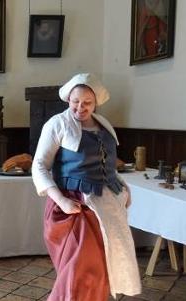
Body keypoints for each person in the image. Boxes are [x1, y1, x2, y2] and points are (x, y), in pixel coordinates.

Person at [32, 73, 142, 300]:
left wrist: (122, 187)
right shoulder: (57, 124)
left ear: (96, 103)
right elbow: (39, 166)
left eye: (87, 103)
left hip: (106, 207)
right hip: (73, 207)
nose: (80, 108)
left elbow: (108, 166)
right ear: (68, 99)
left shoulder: (104, 126)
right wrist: (61, 201)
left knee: (101, 267)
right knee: (78, 270)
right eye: (75, 101)